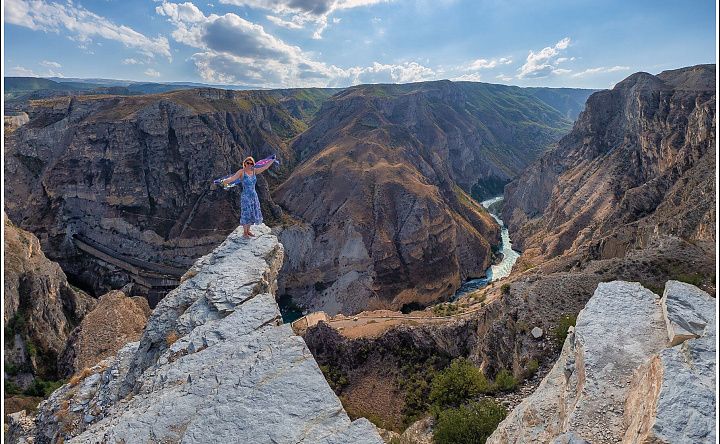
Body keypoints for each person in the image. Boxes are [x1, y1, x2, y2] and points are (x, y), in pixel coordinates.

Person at [220, 156, 273, 238]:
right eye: (248, 163)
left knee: (252, 212)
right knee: (246, 213)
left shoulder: (254, 171)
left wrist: (272, 160)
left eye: (251, 163)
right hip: (246, 196)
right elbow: (233, 178)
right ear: (244, 163)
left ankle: (248, 231)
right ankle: (245, 232)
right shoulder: (241, 172)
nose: (250, 165)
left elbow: (265, 167)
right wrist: (225, 181)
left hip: (254, 195)